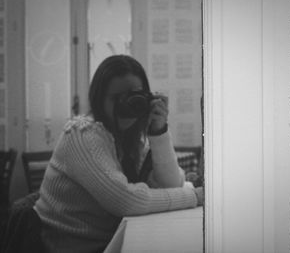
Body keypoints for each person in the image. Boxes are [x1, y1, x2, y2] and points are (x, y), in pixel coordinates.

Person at [34, 55, 204, 253]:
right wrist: (195, 196)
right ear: (99, 99)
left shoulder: (129, 137)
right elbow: (126, 201)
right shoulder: (82, 134)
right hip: (70, 245)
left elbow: (171, 185)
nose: (127, 104)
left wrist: (158, 130)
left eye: (135, 96)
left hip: (103, 239)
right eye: (116, 98)